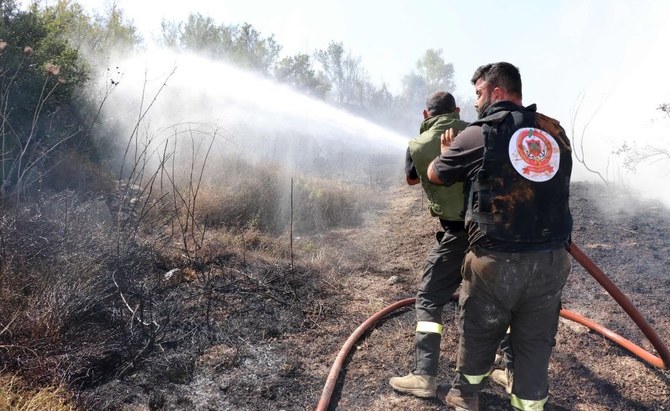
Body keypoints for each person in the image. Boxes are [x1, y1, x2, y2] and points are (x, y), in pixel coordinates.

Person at [427, 62, 573, 410]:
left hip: (496, 262)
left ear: (496, 93)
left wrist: (447, 154)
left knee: (479, 329)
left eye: (479, 94)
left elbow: (434, 175)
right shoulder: (554, 131)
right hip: (552, 262)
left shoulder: (480, 133)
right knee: (535, 343)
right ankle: (529, 403)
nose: (476, 102)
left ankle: (465, 395)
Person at [389, 91, 469, 398]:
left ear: (426, 115)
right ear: (458, 110)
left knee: (428, 297)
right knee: (494, 297)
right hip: (494, 234)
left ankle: (424, 375)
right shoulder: (477, 133)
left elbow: (411, 180)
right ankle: (506, 363)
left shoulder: (416, 145)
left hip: (457, 234)